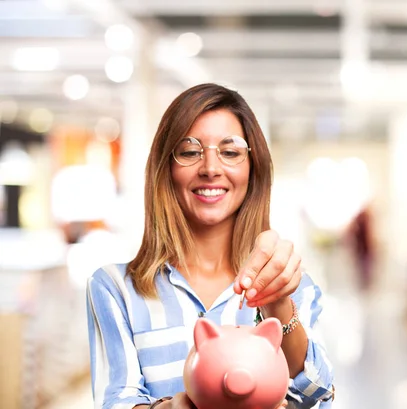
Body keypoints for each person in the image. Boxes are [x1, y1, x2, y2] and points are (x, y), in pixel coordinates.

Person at [86, 83, 335, 409]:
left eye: (230, 152)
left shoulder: (291, 285)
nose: (211, 168)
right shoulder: (115, 288)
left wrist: (278, 304)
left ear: (252, 169)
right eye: (190, 151)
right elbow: (117, 400)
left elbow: (315, 396)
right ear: (166, 169)